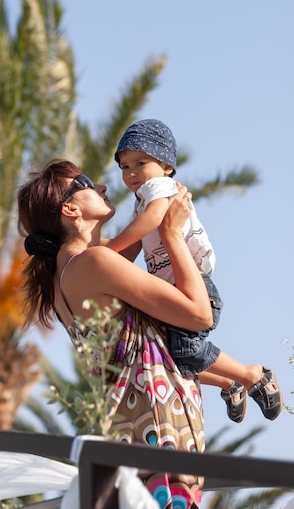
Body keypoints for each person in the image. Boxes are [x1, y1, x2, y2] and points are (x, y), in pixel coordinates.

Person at [17, 158, 214, 509]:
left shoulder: (65, 274)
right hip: (160, 421)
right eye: (88, 183)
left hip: (125, 427)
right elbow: (199, 314)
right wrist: (173, 234)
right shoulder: (94, 262)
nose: (105, 187)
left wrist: (154, 208)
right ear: (70, 209)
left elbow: (125, 248)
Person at [109, 118, 283, 424]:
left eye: (140, 162)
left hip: (195, 287)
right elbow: (134, 247)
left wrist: (107, 248)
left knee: (186, 352)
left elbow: (152, 223)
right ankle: (230, 383)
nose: (131, 173)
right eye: (124, 167)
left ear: (165, 165)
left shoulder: (159, 187)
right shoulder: (143, 199)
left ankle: (250, 375)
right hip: (173, 288)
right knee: (174, 357)